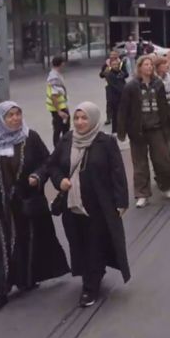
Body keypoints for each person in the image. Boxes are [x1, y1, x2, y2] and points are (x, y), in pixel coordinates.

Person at [0, 101, 69, 312]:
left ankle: (27, 278)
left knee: (27, 240)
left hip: (26, 200)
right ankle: (0, 290)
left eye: (17, 114)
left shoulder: (30, 138)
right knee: (1, 246)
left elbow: (47, 162)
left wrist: (37, 176)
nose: (15, 119)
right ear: (0, 119)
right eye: (10, 116)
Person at [48, 102, 130, 307]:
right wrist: (60, 181)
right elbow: (53, 165)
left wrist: (121, 201)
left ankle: (90, 286)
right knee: (78, 243)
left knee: (94, 243)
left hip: (98, 206)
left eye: (84, 118)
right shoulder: (67, 140)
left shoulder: (106, 142)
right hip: (72, 205)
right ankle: (93, 272)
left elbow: (117, 172)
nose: (80, 122)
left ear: (93, 119)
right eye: (77, 118)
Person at [118, 55, 170, 207]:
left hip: (157, 128)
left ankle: (165, 185)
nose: (149, 67)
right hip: (138, 130)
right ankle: (142, 194)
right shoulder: (131, 86)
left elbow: (164, 105)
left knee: (163, 160)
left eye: (151, 65)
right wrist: (122, 131)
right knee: (140, 164)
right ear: (139, 68)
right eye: (146, 64)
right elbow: (123, 110)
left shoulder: (158, 84)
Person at [99, 53, 128, 131]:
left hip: (121, 84)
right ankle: (109, 117)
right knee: (109, 101)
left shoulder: (121, 64)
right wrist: (108, 70)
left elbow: (126, 74)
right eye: (111, 57)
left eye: (115, 57)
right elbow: (101, 75)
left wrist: (121, 74)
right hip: (109, 85)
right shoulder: (106, 64)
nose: (113, 59)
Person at [46, 56, 70, 148]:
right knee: (59, 128)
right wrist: (59, 111)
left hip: (61, 106)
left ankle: (63, 145)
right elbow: (54, 96)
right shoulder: (54, 77)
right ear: (62, 63)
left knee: (63, 126)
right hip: (58, 108)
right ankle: (60, 147)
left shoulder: (56, 74)